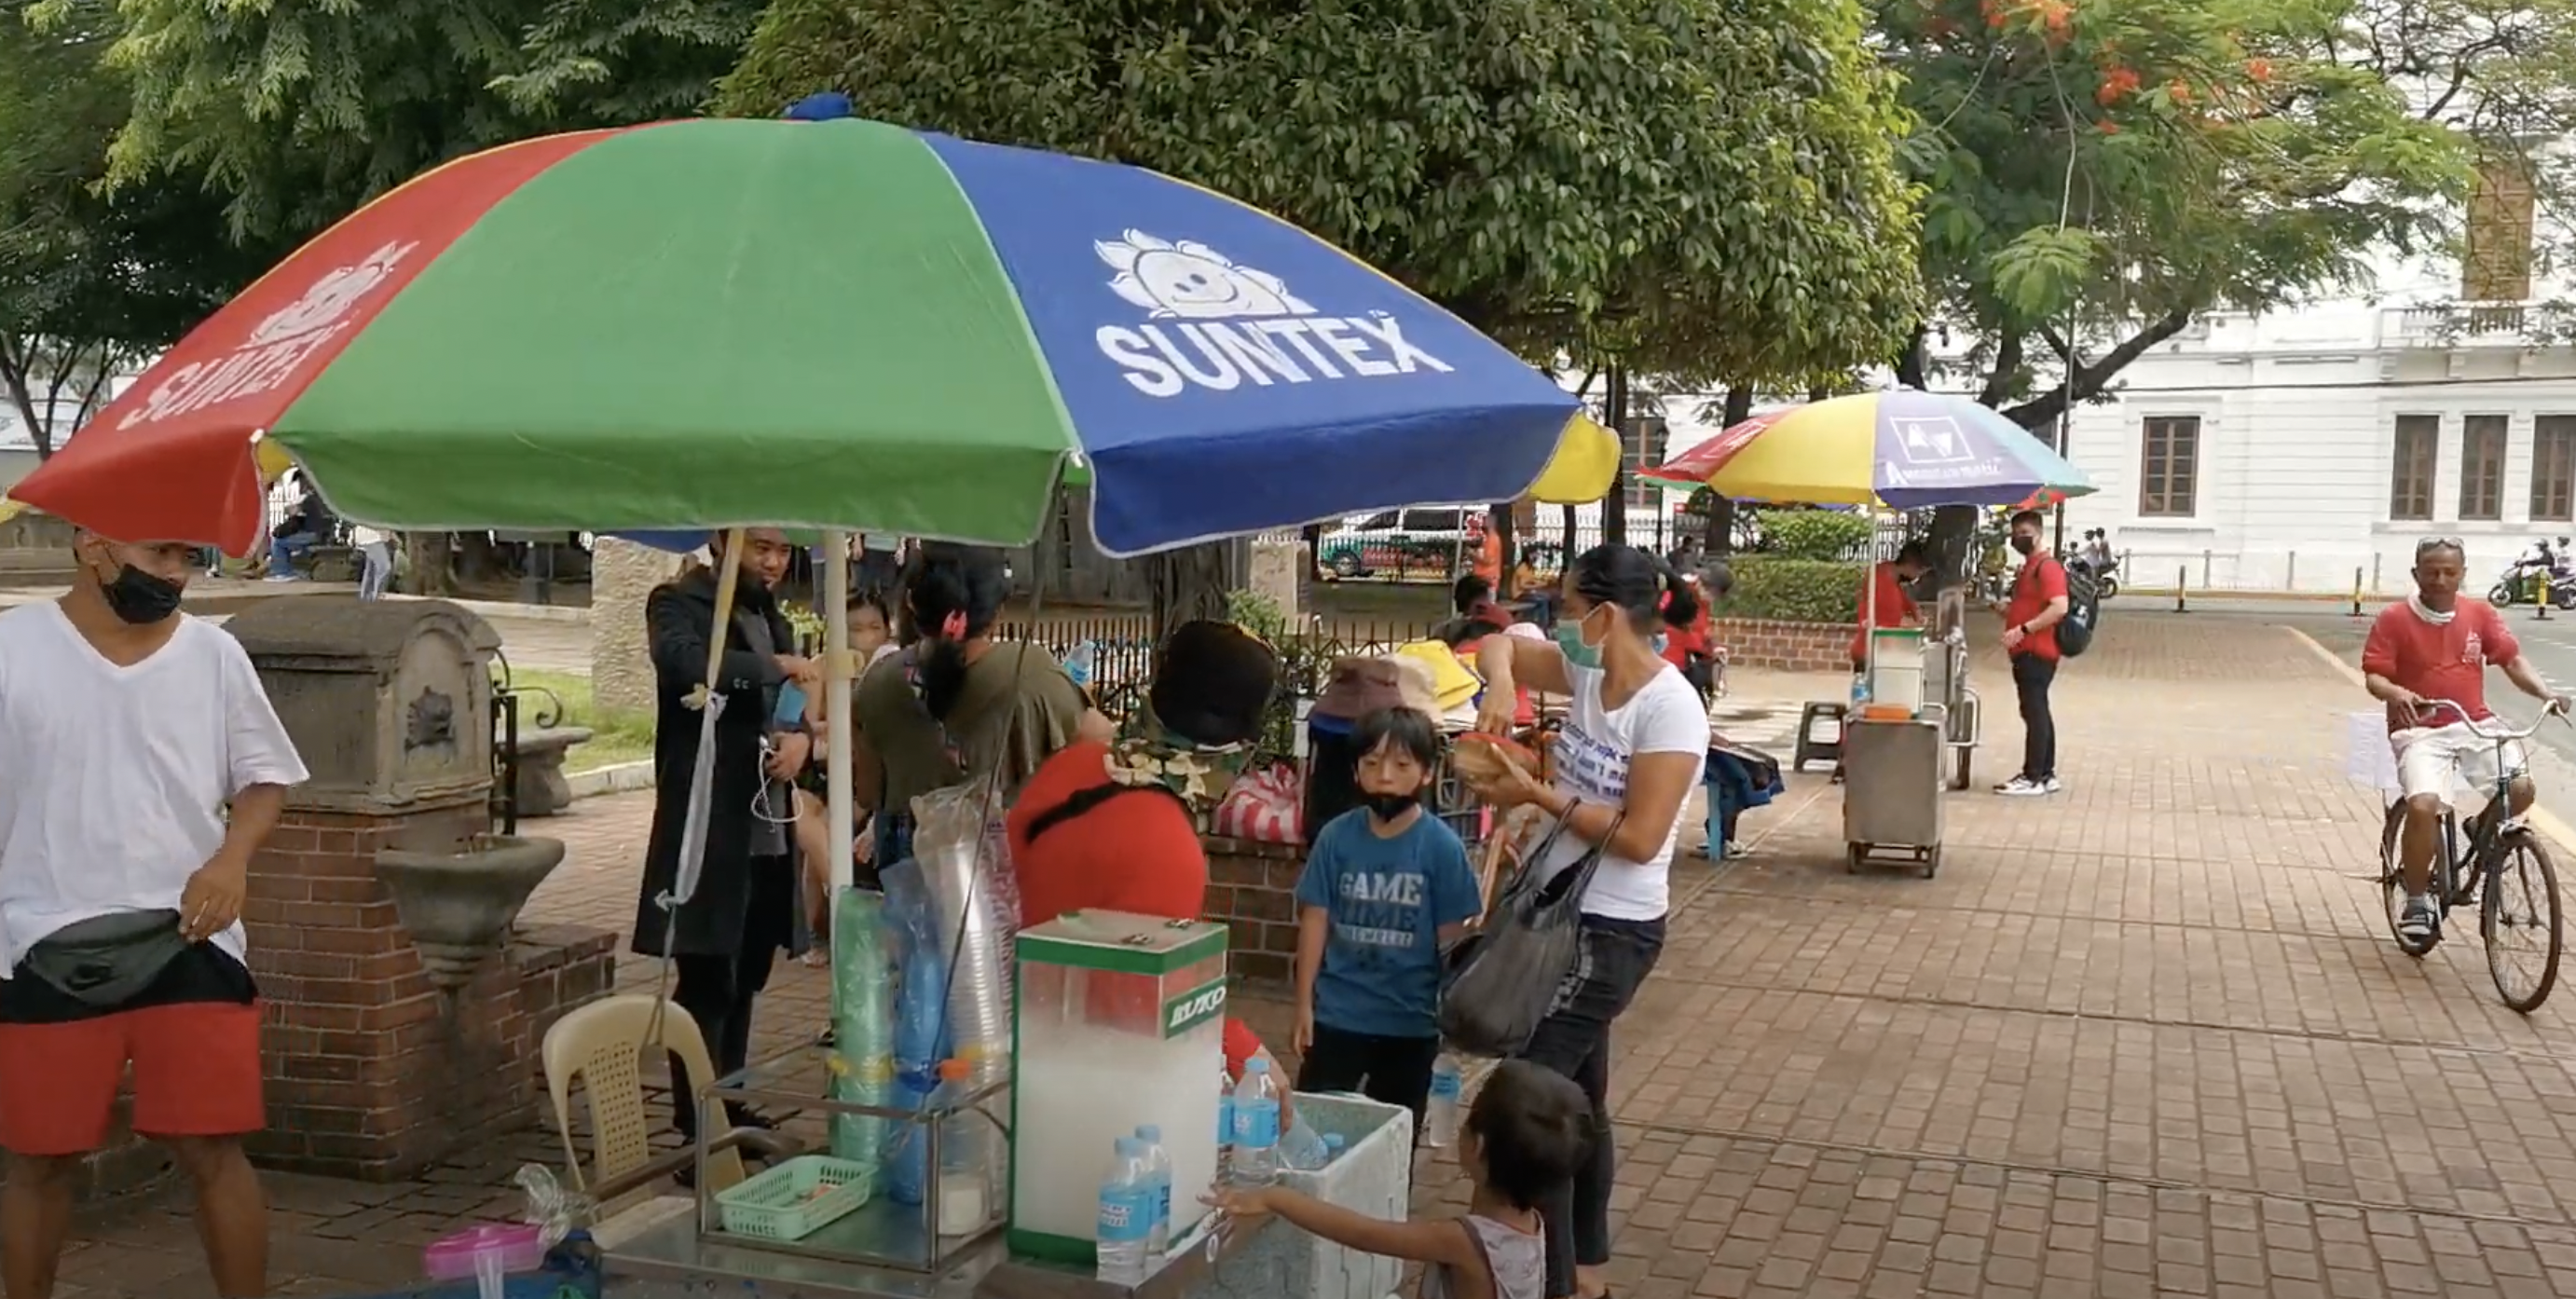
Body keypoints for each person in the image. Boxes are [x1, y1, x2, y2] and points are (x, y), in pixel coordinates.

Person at [0, 529, 308, 1299]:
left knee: (213, 1146)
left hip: (190, 936)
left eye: (189, 558)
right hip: (40, 935)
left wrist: (231, 859)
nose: (176, 574)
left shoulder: (213, 657)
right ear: (92, 546)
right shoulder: (12, 646)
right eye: (158, 554)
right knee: (39, 1157)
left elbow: (265, 777)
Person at [1470, 543, 1704, 1299]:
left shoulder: (1669, 707)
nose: (1560, 622)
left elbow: (1639, 838)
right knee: (1581, 1100)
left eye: (1569, 609)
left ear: (1606, 614)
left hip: (1612, 933)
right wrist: (1501, 683)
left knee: (1533, 1100)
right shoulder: (1589, 673)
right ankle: (1588, 1269)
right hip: (1554, 911)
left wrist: (1536, 796)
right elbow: (1496, 641)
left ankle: (1558, 1277)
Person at [630, 527, 815, 1146]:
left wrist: (802, 742)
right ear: (721, 540)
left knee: (747, 973)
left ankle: (728, 1104)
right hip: (708, 821)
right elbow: (687, 667)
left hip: (767, 822)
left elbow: (794, 707)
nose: (773, 561)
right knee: (707, 977)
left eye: (784, 550)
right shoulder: (677, 603)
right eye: (761, 546)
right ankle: (696, 1124)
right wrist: (774, 667)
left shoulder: (772, 617)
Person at [1213, 1060, 1584, 1299]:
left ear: (1479, 1146)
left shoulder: (1464, 1240)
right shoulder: (1532, 1223)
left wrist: (1275, 1197)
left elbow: (1363, 1233)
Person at [2363, 538, 2569, 949]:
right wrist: (2395, 693)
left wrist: (2545, 695)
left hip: (2474, 723)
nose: (2440, 579)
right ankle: (2418, 899)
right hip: (2420, 728)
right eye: (2432, 571)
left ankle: (2480, 827)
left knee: (2522, 788)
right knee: (2423, 804)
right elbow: (2375, 676)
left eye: (2449, 572)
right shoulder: (2394, 618)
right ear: (2416, 573)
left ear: (2463, 574)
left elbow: (2510, 660)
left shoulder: (2480, 614)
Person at [851, 543, 1105, 868]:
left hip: (905, 871)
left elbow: (869, 793)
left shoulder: (876, 682)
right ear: (998, 610)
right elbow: (1102, 744)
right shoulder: (1029, 671)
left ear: (912, 603)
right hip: (997, 871)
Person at [1293, 706, 1484, 1128]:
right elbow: (1315, 920)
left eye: (1401, 765)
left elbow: (1453, 942)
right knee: (1313, 1130)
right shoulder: (1335, 838)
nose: (1384, 776)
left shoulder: (1441, 848)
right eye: (1372, 763)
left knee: (1394, 1142)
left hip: (1410, 1025)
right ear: (1355, 771)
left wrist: (1451, 1028)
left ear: (1427, 773)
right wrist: (1305, 1004)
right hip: (1337, 1017)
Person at [1996, 509, 2069, 797]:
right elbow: (2031, 604)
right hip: (2025, 650)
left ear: (2038, 533)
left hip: (2036, 651)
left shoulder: (2047, 567)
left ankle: (2033, 775)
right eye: (2015, 534)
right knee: (2037, 710)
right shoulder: (2029, 567)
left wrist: (2023, 630)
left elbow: (2059, 606)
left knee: (2034, 710)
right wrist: (2007, 612)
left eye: (2024, 533)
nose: (2018, 539)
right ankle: (2047, 772)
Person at [1850, 541, 1929, 672]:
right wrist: (1916, 624)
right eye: (1920, 571)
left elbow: (1906, 602)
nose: (1919, 577)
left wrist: (1916, 612)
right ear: (1911, 565)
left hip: (1872, 649)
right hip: (1874, 653)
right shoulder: (1885, 586)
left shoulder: (1886, 574)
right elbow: (1892, 624)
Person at [263, 472, 330, 581]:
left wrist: (292, 506)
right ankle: (290, 570)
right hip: (320, 533)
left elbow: (292, 511)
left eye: (301, 481)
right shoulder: (322, 497)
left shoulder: (310, 498)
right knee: (288, 540)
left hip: (313, 534)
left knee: (279, 542)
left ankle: (282, 572)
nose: (300, 485)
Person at [352, 525, 394, 601]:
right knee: (384, 567)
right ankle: (377, 594)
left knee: (371, 569)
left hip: (370, 537)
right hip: (373, 538)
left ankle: (366, 595)